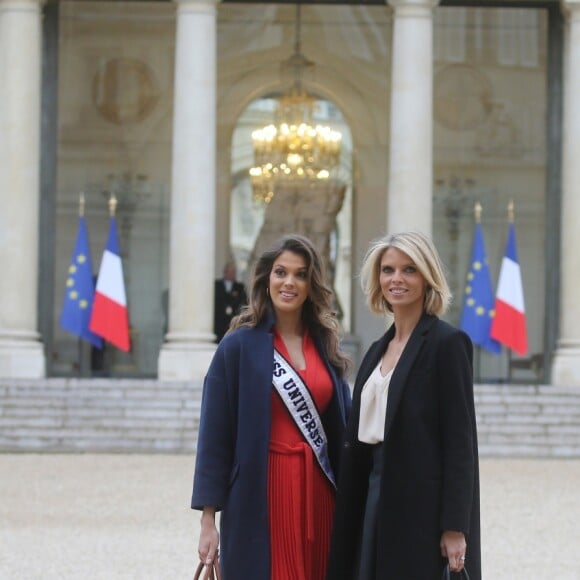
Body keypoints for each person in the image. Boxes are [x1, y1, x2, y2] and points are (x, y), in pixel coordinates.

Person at [192, 234, 352, 580]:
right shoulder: (237, 346)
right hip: (261, 492)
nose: (289, 283)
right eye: (281, 272)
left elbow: (346, 429)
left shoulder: (327, 347)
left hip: (320, 492)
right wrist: (209, 520)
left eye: (300, 274)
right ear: (266, 279)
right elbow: (214, 437)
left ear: (312, 284)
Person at [326, 231, 481, 580]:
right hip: (367, 496)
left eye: (409, 269)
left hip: (419, 509)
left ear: (427, 278)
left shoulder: (448, 344)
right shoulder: (376, 350)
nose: (396, 279)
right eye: (388, 270)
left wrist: (455, 526)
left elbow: (460, 444)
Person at [213, 261, 248, 342]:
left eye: (233, 272)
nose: (232, 274)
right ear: (225, 272)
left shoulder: (240, 287)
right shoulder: (217, 285)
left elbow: (244, 302)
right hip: (219, 319)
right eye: (230, 271)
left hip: (233, 320)